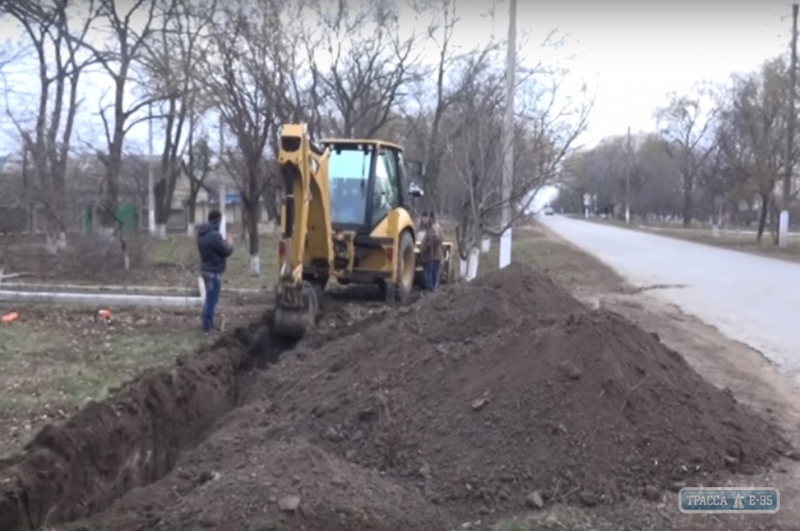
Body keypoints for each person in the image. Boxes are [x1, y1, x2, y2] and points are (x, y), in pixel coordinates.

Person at [197, 209, 234, 333]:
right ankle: (208, 326)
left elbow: (214, 248)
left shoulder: (202, 233)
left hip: (206, 269)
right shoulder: (214, 235)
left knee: (209, 298)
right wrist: (229, 244)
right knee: (212, 299)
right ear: (218, 220)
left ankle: (208, 323)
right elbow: (225, 251)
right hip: (214, 271)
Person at [420, 211, 445, 291]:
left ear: (429, 218)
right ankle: (433, 293)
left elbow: (436, 239)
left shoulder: (433, 227)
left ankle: (431, 293)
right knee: (432, 275)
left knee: (430, 276)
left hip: (433, 256)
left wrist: (427, 247)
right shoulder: (435, 226)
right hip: (434, 256)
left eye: (424, 218)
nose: (423, 220)